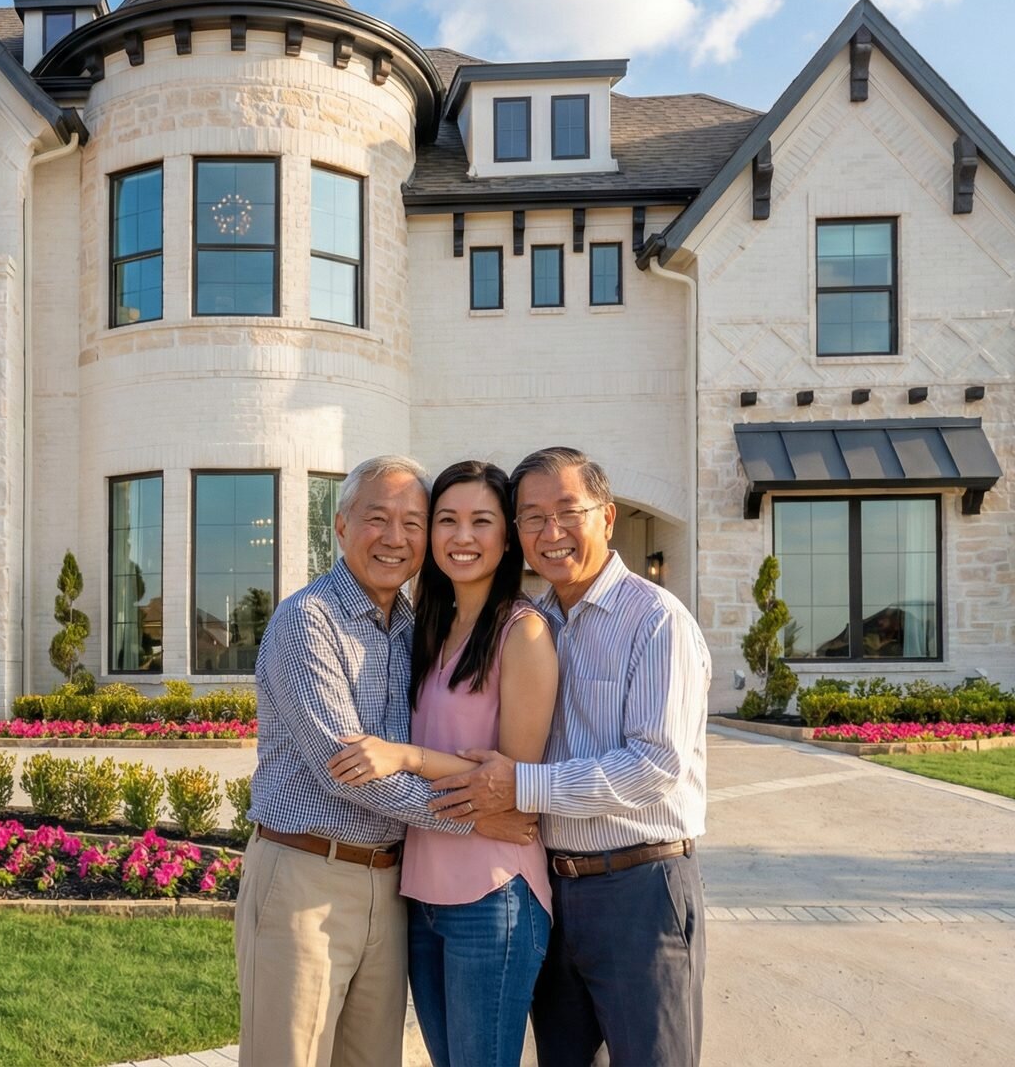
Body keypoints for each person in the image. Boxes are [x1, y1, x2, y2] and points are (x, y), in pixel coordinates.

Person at [236, 455, 534, 1067]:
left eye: (413, 522)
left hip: (391, 886)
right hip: (305, 876)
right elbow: (349, 772)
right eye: (377, 518)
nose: (395, 537)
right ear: (341, 526)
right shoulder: (307, 621)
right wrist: (477, 817)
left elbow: (411, 755)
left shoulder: (414, 626)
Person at [429, 446, 712, 1066]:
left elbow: (655, 766)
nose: (550, 532)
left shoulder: (656, 621)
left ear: (606, 517)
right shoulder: (535, 622)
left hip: (640, 888)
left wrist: (523, 786)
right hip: (557, 893)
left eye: (567, 512)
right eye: (532, 517)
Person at [327, 459, 559, 1066]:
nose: (462, 536)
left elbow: (513, 784)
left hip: (494, 893)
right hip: (421, 894)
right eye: (447, 520)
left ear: (507, 536)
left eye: (481, 521)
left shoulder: (524, 633)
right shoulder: (427, 626)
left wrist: (405, 756)